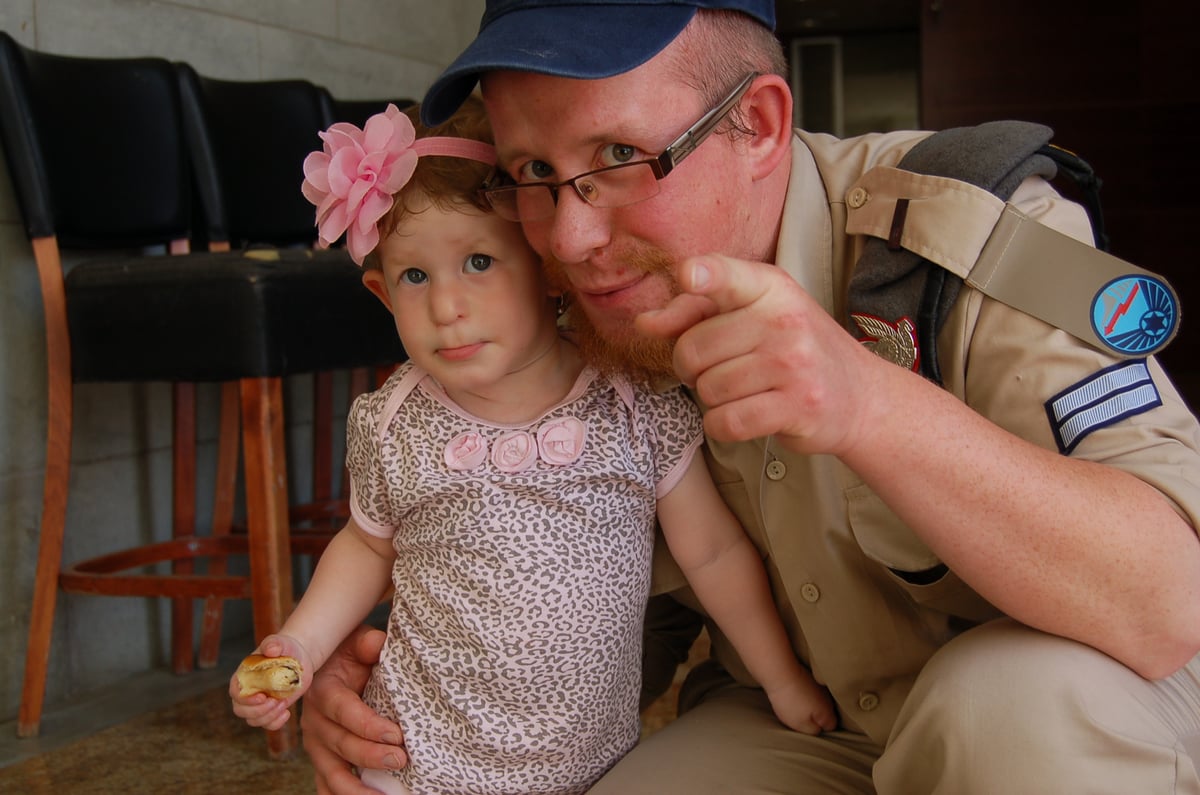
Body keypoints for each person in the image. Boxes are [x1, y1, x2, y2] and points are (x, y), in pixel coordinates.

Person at [300, 2, 1200, 793]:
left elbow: (1171, 602)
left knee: (1008, 715)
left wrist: (872, 407)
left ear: (760, 125)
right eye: (532, 171)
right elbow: (602, 587)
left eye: (619, 155)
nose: (570, 236)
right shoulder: (573, 308)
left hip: (1049, 703)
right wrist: (404, 699)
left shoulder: (968, 232)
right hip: (799, 714)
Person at [230, 96, 834, 795]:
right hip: (416, 757)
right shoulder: (395, 420)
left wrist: (782, 678)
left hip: (585, 765)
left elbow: (714, 552)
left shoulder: (628, 402)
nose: (446, 306)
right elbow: (366, 546)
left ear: (548, 269)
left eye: (479, 261)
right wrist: (299, 646)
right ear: (382, 291)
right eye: (415, 276)